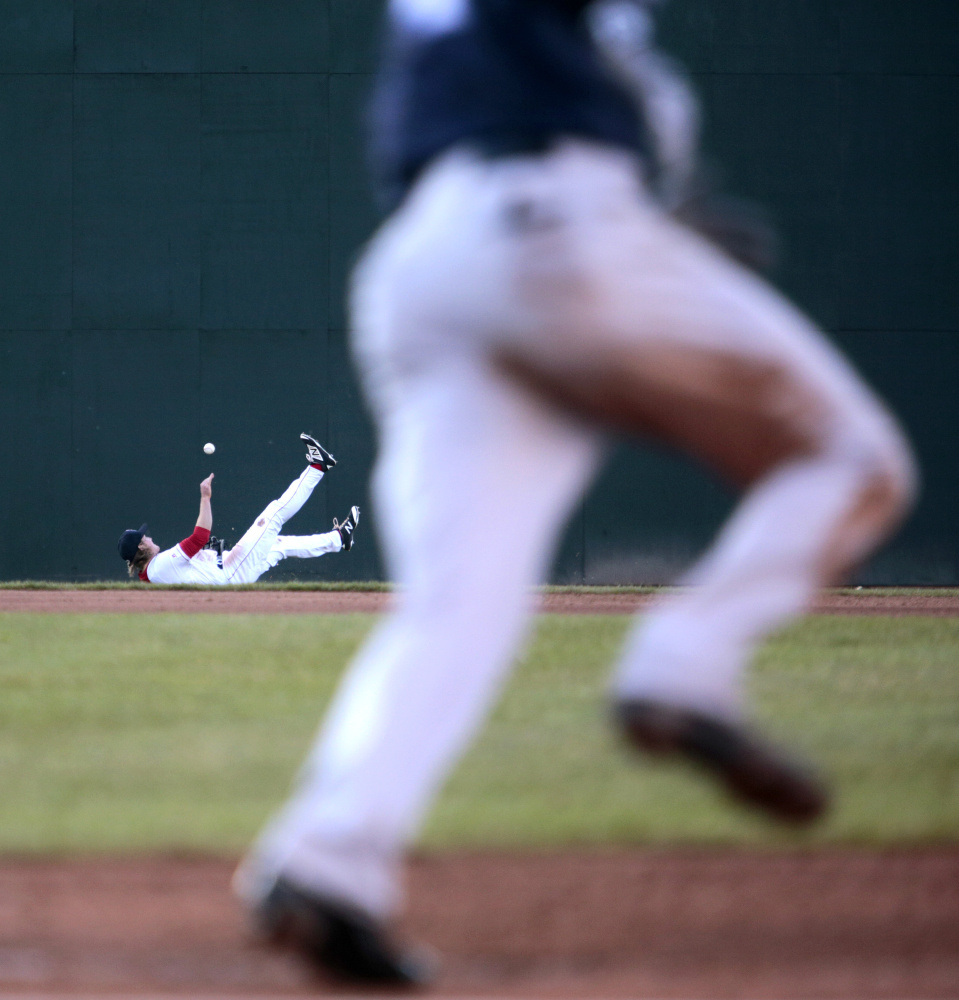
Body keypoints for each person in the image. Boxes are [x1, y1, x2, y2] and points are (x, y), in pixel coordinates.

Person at [234, 0, 918, 986]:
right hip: (556, 218)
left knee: (453, 610)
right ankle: (683, 664)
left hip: (422, 266)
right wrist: (638, 213)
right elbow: (619, 72)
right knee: (853, 460)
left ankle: (323, 867)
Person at [117, 434, 360, 584]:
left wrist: (209, 556)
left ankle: (339, 539)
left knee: (278, 544)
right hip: (233, 573)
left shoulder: (153, 572)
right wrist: (205, 497)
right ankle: (318, 466)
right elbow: (200, 536)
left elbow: (196, 564)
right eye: (144, 536)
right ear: (141, 546)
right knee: (273, 515)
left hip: (230, 569)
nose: (148, 536)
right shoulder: (158, 567)